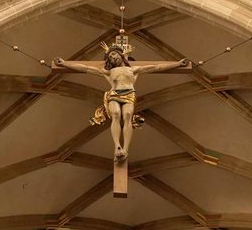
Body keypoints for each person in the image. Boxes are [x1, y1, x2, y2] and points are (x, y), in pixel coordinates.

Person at [54, 44, 190, 162]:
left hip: (129, 94)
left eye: (114, 54)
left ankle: (125, 149)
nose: (112, 57)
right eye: (110, 56)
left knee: (128, 115)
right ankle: (117, 146)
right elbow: (85, 68)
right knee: (115, 114)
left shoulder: (133, 69)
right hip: (114, 94)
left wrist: (178, 64)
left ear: (121, 54)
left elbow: (156, 67)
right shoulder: (108, 72)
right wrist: (65, 64)